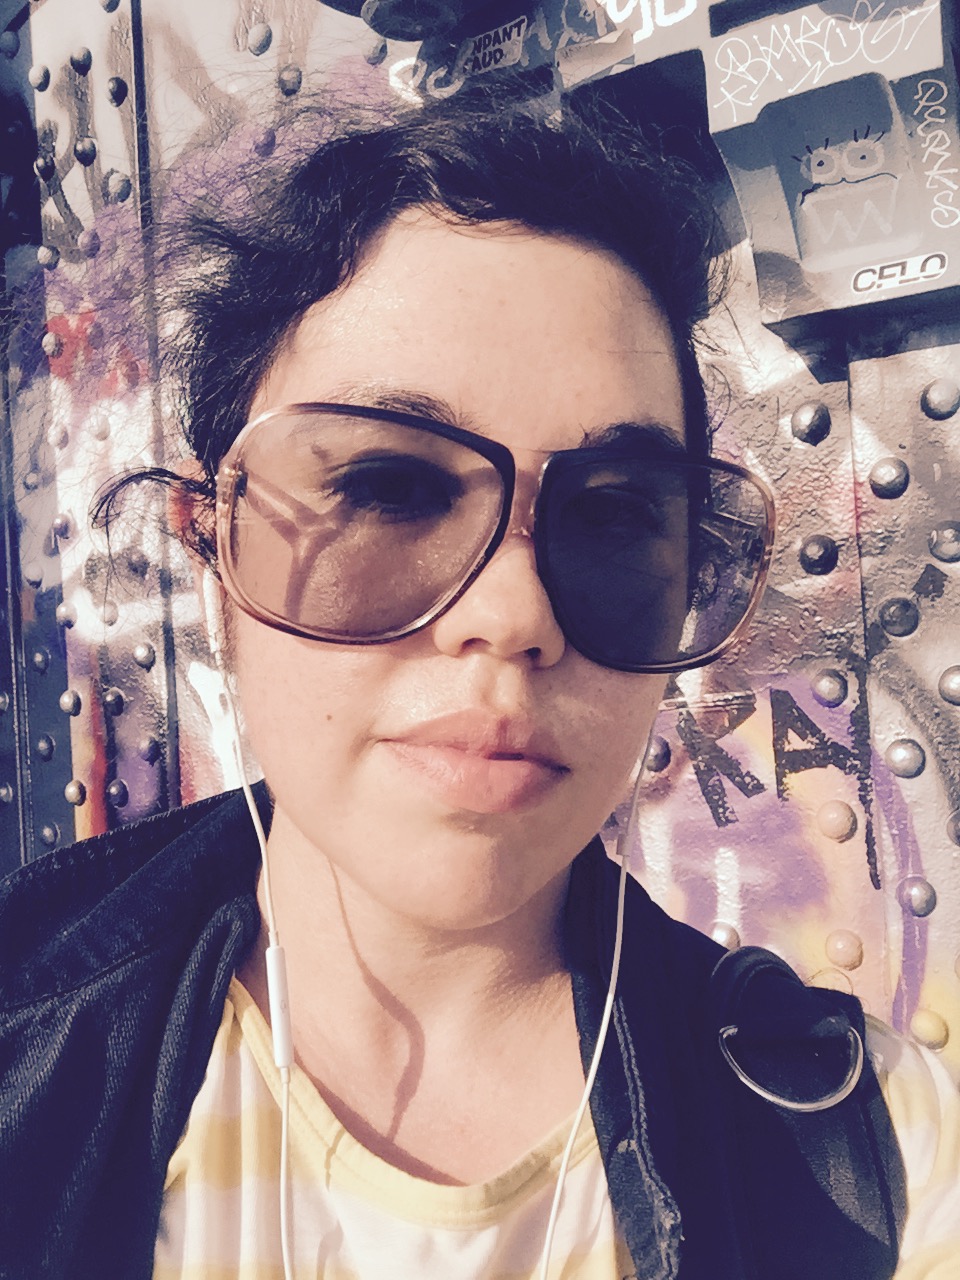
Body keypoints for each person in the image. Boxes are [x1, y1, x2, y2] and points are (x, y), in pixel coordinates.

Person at [1, 94, 959, 1280]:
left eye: (615, 514)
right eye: (388, 488)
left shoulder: (877, 1158)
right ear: (215, 548)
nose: (514, 616)